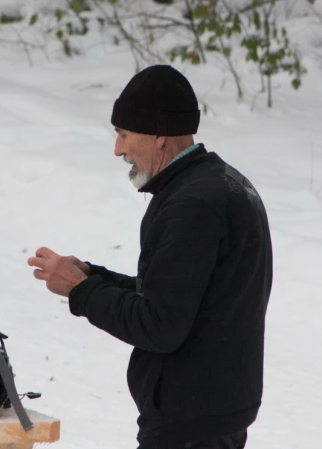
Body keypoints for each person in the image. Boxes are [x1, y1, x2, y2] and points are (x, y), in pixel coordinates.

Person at [27, 64, 273, 449]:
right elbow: (178, 295)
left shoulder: (192, 204)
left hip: (191, 424)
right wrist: (94, 276)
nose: (118, 149)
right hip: (211, 411)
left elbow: (159, 325)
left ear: (160, 135)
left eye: (125, 135)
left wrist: (82, 292)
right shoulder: (220, 183)